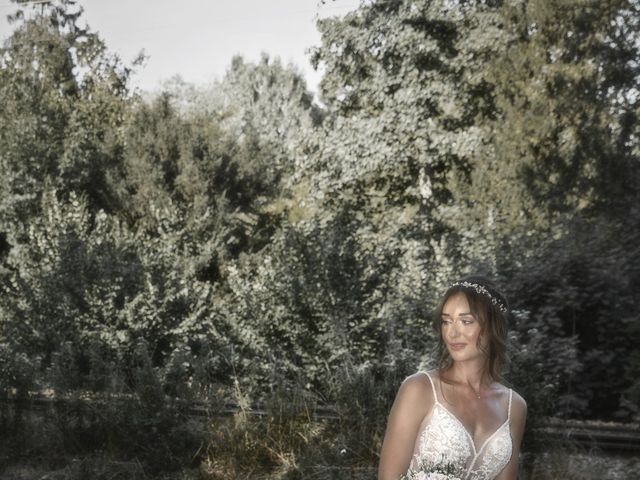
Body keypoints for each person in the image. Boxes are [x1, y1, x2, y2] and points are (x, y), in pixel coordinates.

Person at [378, 275, 527, 480]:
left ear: (493, 327)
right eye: (446, 321)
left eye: (466, 321)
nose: (452, 333)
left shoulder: (514, 407)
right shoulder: (419, 389)